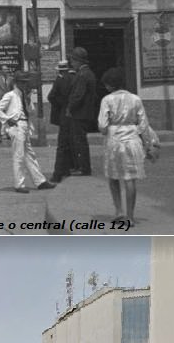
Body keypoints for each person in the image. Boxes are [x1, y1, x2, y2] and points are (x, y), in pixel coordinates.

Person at [97, 66, 160, 227]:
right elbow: (144, 125)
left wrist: (108, 128)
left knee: (113, 176)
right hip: (132, 139)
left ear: (110, 85)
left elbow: (102, 125)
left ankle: (119, 212)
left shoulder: (107, 100)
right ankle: (130, 216)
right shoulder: (136, 99)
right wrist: (148, 145)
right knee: (130, 178)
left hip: (114, 141)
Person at [0, 73, 56, 194]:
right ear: (17, 83)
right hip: (16, 126)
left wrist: (28, 99)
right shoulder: (10, 95)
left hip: (25, 125)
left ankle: (40, 181)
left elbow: (31, 111)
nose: (25, 84)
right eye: (22, 82)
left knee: (29, 154)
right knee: (19, 155)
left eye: (26, 82)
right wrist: (6, 119)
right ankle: (19, 184)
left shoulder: (23, 95)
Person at [66, 47, 97, 176]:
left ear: (78, 61)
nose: (71, 63)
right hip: (85, 112)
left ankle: (83, 167)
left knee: (79, 141)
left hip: (80, 113)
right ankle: (82, 166)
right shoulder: (88, 73)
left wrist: (70, 108)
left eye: (72, 60)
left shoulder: (82, 75)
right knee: (80, 140)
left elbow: (78, 95)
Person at [47, 59, 74, 183]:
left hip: (63, 114)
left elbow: (51, 96)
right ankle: (67, 169)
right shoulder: (74, 78)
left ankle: (58, 173)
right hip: (72, 114)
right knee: (69, 143)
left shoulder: (59, 80)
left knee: (61, 145)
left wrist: (60, 106)